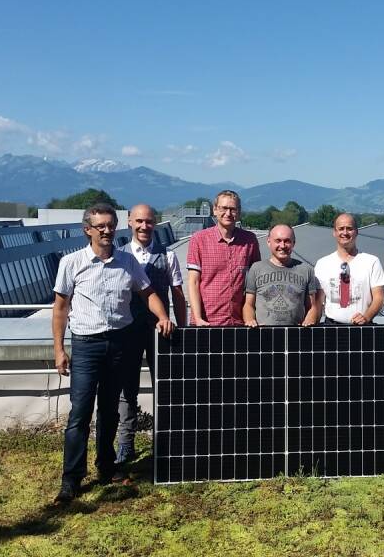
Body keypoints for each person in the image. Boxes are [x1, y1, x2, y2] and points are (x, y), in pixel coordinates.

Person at [52, 203, 174, 503]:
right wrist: (59, 349)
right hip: (86, 345)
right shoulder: (71, 263)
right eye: (100, 226)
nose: (107, 231)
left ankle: (106, 467)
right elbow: (60, 308)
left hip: (119, 342)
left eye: (110, 225)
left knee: (109, 410)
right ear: (88, 230)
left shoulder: (127, 261)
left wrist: (162, 316)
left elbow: (148, 293)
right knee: (80, 413)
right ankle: (71, 478)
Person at [114, 203, 188, 469]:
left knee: (165, 388)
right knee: (126, 389)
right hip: (127, 332)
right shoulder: (118, 255)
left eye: (149, 222)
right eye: (140, 221)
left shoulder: (168, 256)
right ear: (130, 222)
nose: (145, 226)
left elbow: (177, 294)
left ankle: (166, 442)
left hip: (162, 331)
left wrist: (183, 327)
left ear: (155, 224)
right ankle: (126, 444)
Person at [186, 190, 261, 326]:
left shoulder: (250, 240)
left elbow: (255, 281)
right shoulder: (199, 239)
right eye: (224, 208)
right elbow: (193, 282)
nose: (228, 213)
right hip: (207, 322)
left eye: (233, 209)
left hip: (239, 322)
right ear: (214, 210)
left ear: (238, 212)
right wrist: (197, 318)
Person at [314, 213, 384, 325]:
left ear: (357, 232)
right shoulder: (322, 264)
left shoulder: (372, 262)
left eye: (349, 229)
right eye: (341, 229)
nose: (345, 233)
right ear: (334, 232)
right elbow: (318, 302)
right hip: (332, 328)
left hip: (363, 327)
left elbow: (379, 297)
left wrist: (366, 317)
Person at [243, 224, 321, 326]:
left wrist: (309, 321)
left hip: (295, 335)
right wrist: (249, 320)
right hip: (263, 335)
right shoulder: (256, 269)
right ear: (268, 242)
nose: (283, 245)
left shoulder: (306, 270)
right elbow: (248, 304)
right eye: (278, 241)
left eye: (287, 241)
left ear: (294, 243)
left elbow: (311, 307)